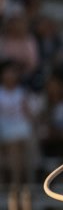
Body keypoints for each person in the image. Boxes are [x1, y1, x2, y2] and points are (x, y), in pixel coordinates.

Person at [0, 58, 35, 186]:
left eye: (13, 72)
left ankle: (27, 184)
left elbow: (29, 114)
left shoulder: (21, 92)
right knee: (14, 146)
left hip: (20, 126)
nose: (10, 75)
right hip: (4, 127)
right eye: (7, 72)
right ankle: (15, 183)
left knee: (25, 146)